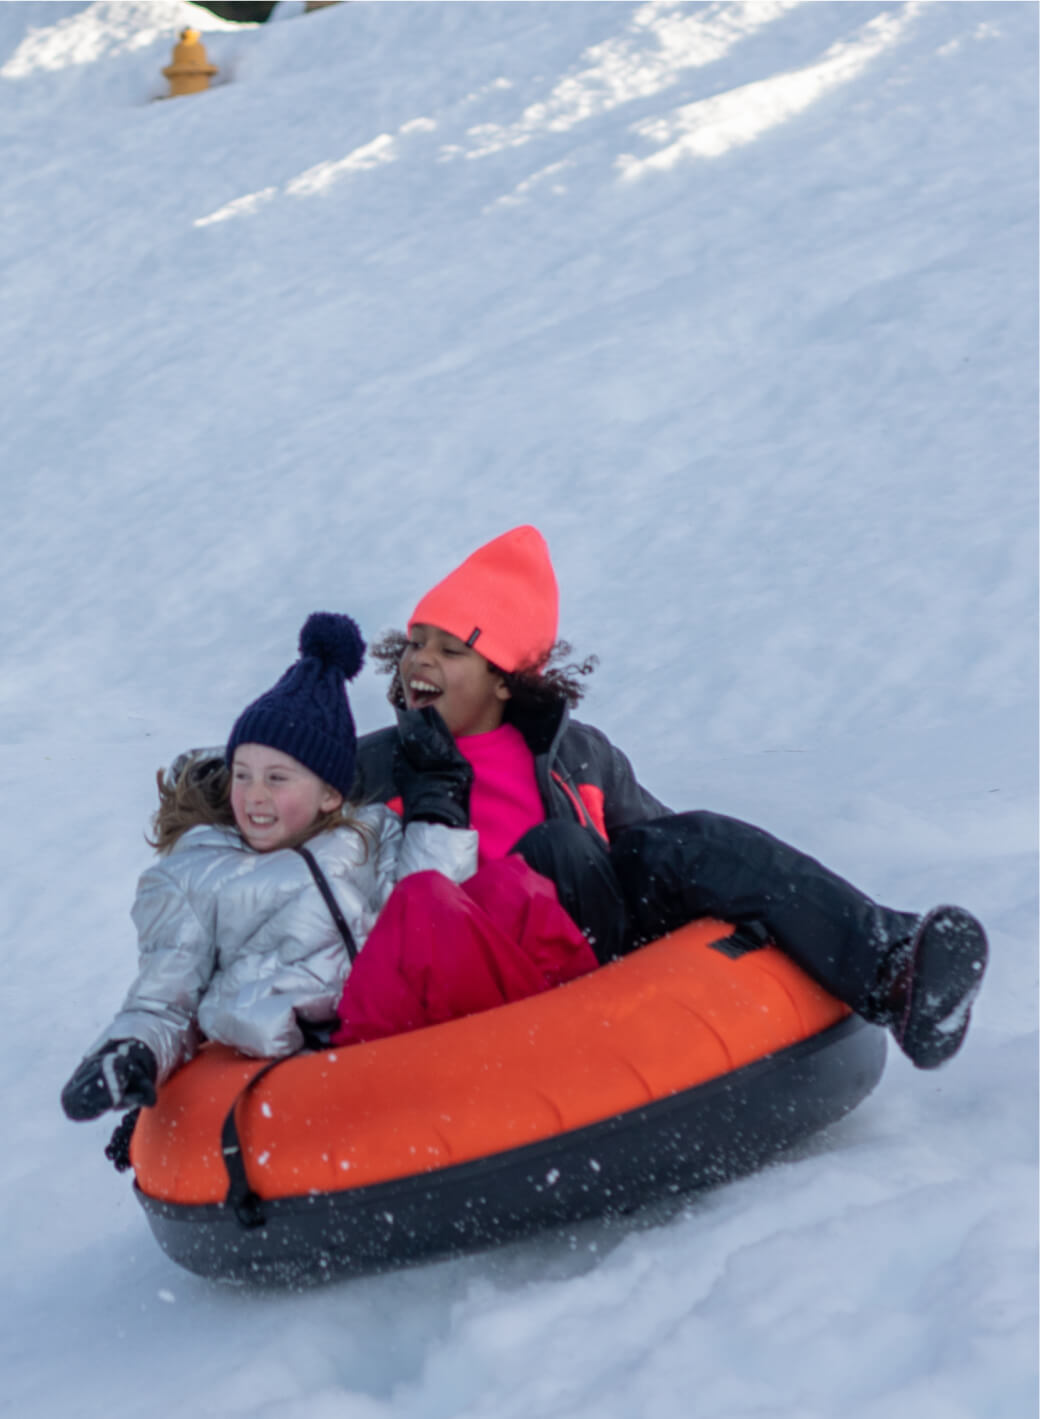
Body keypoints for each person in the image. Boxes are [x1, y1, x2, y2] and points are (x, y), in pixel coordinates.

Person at [353, 525, 989, 1071]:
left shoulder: (580, 755)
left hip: (598, 953)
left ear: (502, 678)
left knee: (692, 839)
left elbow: (659, 856)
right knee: (557, 847)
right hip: (478, 977)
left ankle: (895, 968)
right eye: (415, 641)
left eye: (449, 648)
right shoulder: (371, 771)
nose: (418, 661)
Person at [61, 611, 596, 1124]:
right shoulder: (196, 875)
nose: (254, 796)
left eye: (277, 778)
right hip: (318, 1047)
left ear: (329, 795)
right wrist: (132, 1054)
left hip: (394, 1010)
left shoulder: (363, 837)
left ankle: (586, 1021)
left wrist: (436, 811)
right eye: (242, 775)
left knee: (505, 886)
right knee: (425, 902)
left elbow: (441, 907)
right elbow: (162, 1000)